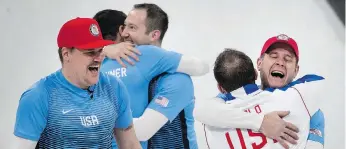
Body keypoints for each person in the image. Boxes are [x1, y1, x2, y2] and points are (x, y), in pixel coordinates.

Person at [13, 17, 141, 149]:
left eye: (100, 51)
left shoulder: (114, 87)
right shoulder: (38, 96)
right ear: (66, 54)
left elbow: (130, 145)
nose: (98, 58)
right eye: (90, 52)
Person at [95, 3, 201, 149]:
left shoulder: (177, 79)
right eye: (124, 27)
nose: (125, 33)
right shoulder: (122, 69)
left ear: (154, 35)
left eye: (132, 27)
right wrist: (104, 49)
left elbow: (141, 131)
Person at [194, 35, 325, 149]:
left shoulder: (306, 105)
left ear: (296, 70)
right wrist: (261, 122)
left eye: (287, 59)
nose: (280, 62)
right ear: (259, 64)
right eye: (274, 56)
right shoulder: (303, 99)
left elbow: (201, 111)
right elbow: (203, 111)